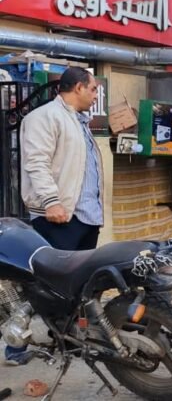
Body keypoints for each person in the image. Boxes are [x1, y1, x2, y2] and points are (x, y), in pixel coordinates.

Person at [10, 67, 104, 366]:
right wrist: (52, 202)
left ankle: (65, 340)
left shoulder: (79, 121)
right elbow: (36, 162)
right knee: (43, 286)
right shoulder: (45, 117)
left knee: (75, 286)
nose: (96, 95)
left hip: (86, 216)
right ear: (78, 87)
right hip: (59, 216)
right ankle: (15, 345)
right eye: (93, 89)